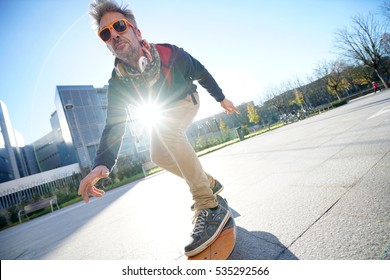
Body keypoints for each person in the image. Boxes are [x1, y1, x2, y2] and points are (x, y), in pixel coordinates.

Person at [78, 0, 240, 257]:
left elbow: (202, 73)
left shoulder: (170, 54)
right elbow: (114, 122)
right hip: (161, 113)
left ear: (136, 32)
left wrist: (221, 98)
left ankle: (208, 206)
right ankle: (208, 182)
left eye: (119, 26)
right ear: (107, 45)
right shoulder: (118, 82)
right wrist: (103, 162)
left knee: (166, 131)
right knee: (158, 155)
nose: (114, 34)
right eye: (106, 33)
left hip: (187, 100)